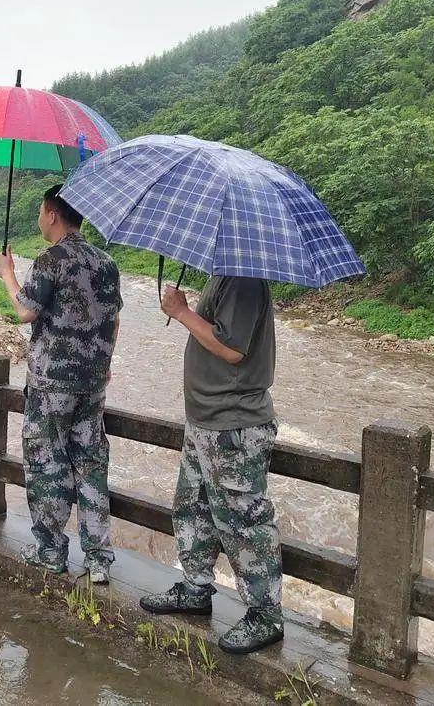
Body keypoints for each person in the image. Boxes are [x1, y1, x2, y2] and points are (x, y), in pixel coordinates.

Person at [139, 275, 283, 655]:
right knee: (193, 509)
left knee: (243, 521)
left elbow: (233, 349)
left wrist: (182, 311)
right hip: (205, 421)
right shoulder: (224, 275)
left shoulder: (244, 279)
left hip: (234, 424)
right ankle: (195, 587)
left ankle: (266, 613)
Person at [0, 185, 122, 584]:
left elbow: (26, 312)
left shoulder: (51, 260)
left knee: (47, 463)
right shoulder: (106, 262)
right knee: (91, 463)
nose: (38, 218)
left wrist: (7, 275)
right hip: (92, 383)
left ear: (52, 214)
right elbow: (114, 320)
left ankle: (51, 551)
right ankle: (99, 558)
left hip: (52, 384)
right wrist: (104, 362)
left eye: (40, 211)